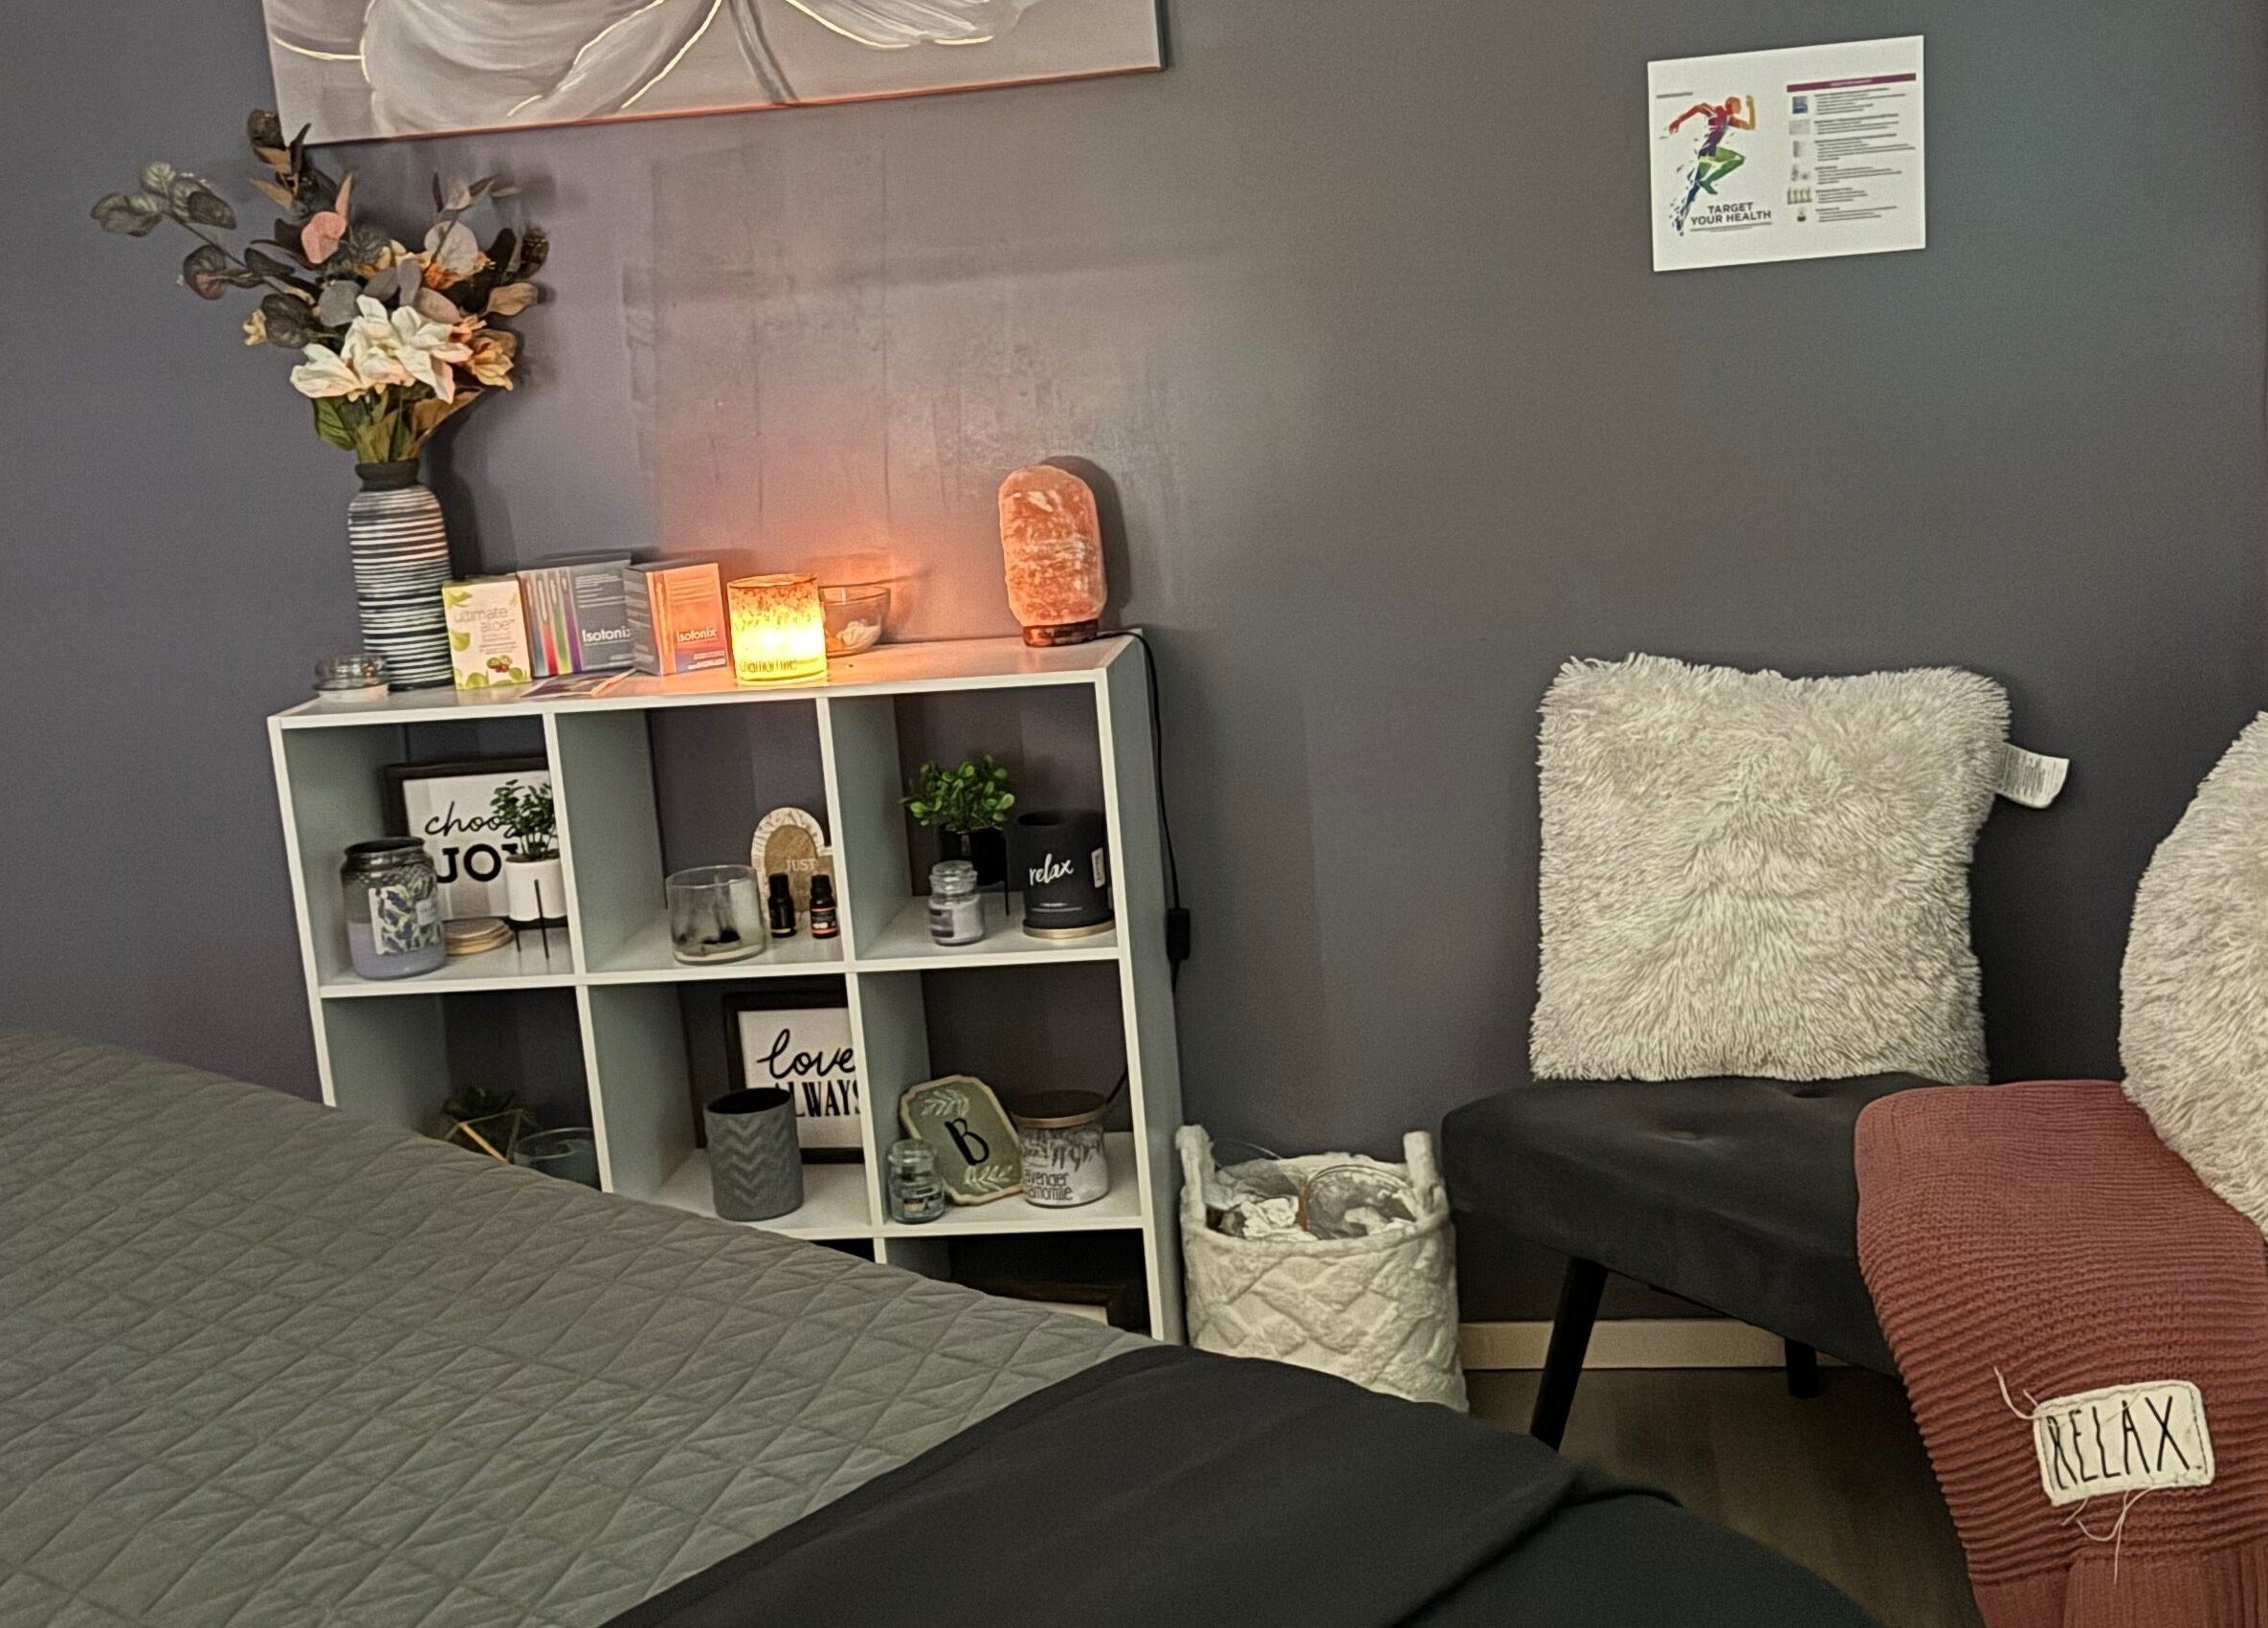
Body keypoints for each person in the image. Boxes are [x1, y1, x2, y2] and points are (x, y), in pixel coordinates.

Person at [1667, 95, 1754, 229]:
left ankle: (1683, 213)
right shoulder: (1718, 110)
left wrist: (1751, 106)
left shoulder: (1730, 120)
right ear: (1731, 104)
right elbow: (1698, 108)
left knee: (1738, 159)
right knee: (1695, 187)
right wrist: (1678, 120)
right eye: (1739, 105)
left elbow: (1750, 126)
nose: (1740, 108)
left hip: (1714, 151)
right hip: (1707, 151)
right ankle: (1682, 215)